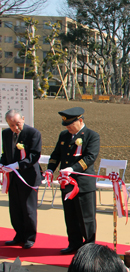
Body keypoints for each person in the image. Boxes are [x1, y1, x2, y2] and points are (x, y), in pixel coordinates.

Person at [47, 107, 100, 254]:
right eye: (66, 126)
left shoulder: (92, 136)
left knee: (86, 217)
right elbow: (56, 154)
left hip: (83, 183)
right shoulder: (64, 135)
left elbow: (90, 157)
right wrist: (50, 168)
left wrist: (73, 168)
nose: (68, 128)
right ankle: (74, 243)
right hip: (66, 183)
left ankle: (89, 246)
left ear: (80, 120)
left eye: (70, 125)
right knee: (70, 216)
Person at [0, 110, 42, 249]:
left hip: (28, 176)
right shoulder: (6, 134)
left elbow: (34, 156)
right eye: (12, 125)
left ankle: (30, 237)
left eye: (18, 124)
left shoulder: (33, 133)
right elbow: (5, 153)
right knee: (15, 208)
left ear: (23, 119)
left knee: (28, 208)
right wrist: (3, 163)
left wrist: (17, 165)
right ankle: (19, 235)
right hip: (13, 177)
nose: (15, 128)